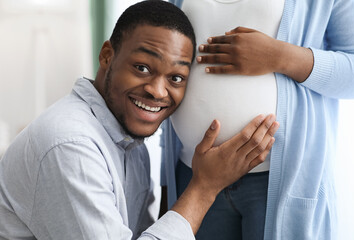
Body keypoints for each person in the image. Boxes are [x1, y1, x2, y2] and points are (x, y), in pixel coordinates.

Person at [0, 1, 280, 239]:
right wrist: (205, 186)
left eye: (176, 78)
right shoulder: (69, 145)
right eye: (142, 68)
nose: (158, 91)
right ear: (107, 56)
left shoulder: (126, 141)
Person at [161, 0, 354, 239]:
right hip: (194, 174)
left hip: (278, 183)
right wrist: (164, 178)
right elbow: (168, 68)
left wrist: (280, 56)